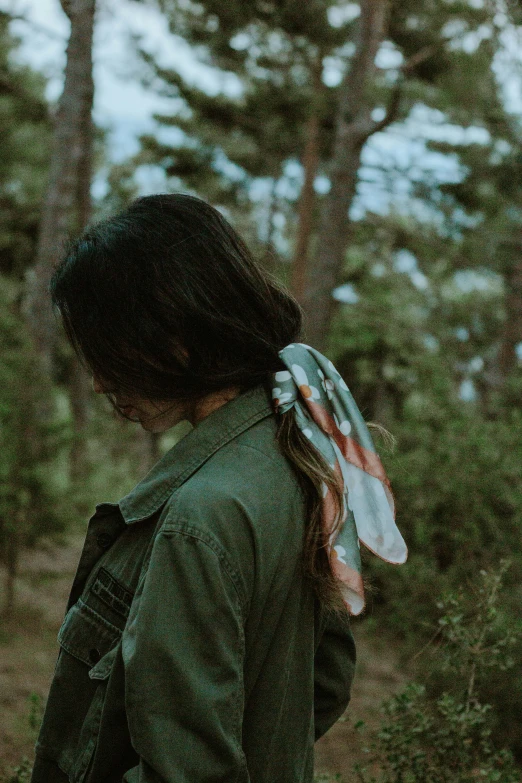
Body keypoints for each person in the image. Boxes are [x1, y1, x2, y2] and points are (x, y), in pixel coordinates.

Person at [30, 193, 406, 783]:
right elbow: (325, 682)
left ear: (177, 335)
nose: (100, 383)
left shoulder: (198, 518)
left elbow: (185, 769)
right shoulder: (298, 452)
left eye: (109, 352)